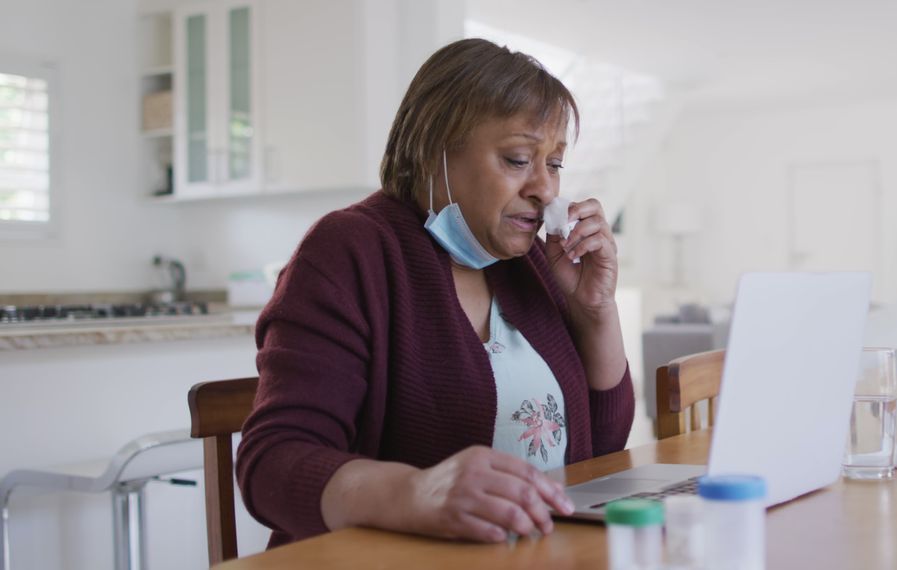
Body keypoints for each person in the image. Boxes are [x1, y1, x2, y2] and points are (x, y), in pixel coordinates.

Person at [236, 37, 635, 548]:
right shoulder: (349, 250)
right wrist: (416, 493)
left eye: (554, 164)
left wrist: (594, 311)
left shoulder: (529, 263)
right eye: (517, 159)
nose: (547, 189)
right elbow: (271, 463)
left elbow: (598, 451)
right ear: (433, 152)